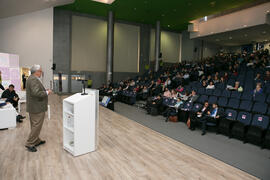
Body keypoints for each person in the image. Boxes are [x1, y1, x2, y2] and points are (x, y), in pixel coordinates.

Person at [25, 65, 52, 152]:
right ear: (36, 71)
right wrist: (47, 92)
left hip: (34, 106)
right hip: (37, 107)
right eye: (40, 71)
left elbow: (35, 91)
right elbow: (36, 93)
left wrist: (44, 91)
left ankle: (36, 140)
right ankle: (30, 143)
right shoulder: (33, 79)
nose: (41, 72)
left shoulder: (31, 78)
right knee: (37, 125)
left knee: (34, 125)